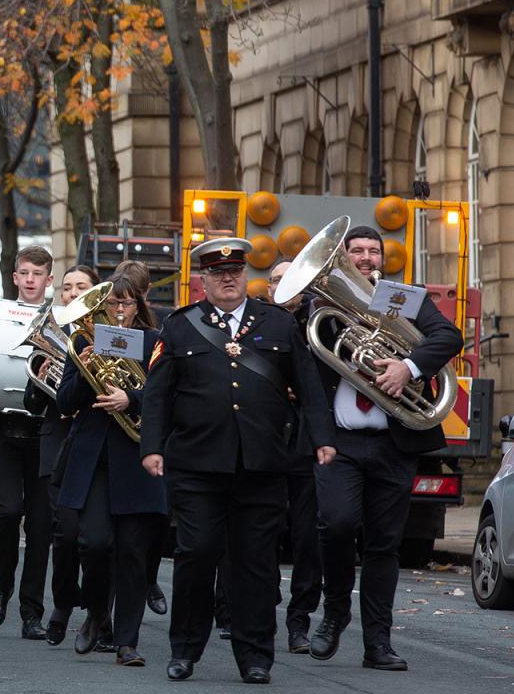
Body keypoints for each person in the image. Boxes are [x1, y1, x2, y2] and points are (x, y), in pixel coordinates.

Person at [140, 237, 337, 685]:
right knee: (197, 554)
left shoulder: (277, 323)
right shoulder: (181, 326)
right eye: (218, 273)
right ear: (204, 280)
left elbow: (308, 385)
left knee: (255, 563)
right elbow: (158, 394)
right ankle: (185, 649)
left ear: (246, 275)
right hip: (196, 464)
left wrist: (322, 438)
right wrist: (151, 447)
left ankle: (255, 656)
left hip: (261, 464)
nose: (227, 279)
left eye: (234, 272)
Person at [307, 225, 462, 671]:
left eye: (373, 251)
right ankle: (335, 612)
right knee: (335, 524)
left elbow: (448, 337)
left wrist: (408, 367)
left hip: (394, 443)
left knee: (384, 544)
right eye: (356, 250)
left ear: (383, 259)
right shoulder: (322, 305)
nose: (365, 257)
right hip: (341, 442)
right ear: (344, 256)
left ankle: (377, 642)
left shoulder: (405, 298)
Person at [54, 274, 166, 667]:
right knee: (95, 543)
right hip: (95, 457)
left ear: (138, 307)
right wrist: (86, 372)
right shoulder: (82, 342)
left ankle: (127, 642)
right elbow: (64, 402)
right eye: (112, 304)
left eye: (126, 303)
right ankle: (97, 612)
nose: (119, 311)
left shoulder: (154, 342)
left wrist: (131, 398)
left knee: (133, 551)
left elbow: (165, 393)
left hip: (137, 455)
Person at [0, 245, 55, 640]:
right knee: (8, 513)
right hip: (5, 433)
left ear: (49, 279)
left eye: (37, 274)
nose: (30, 280)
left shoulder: (60, 320)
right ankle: (0, 590)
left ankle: (32, 612)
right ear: (14, 277)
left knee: (41, 527)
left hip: (44, 435)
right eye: (24, 273)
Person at [28, 264, 98, 646]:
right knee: (66, 533)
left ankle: (100, 613)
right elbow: (32, 401)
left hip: (99, 440)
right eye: (67, 287)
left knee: (99, 538)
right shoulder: (54, 336)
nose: (72, 293)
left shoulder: (108, 334)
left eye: (81, 286)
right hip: (59, 440)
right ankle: (63, 604)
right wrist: (41, 375)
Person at [264, 257, 322, 654]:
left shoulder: (321, 321)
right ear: (268, 288)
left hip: (305, 442)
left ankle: (299, 620)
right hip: (266, 441)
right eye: (276, 280)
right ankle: (260, 607)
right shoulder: (258, 322)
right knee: (261, 532)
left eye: (292, 279)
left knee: (307, 538)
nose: (283, 286)